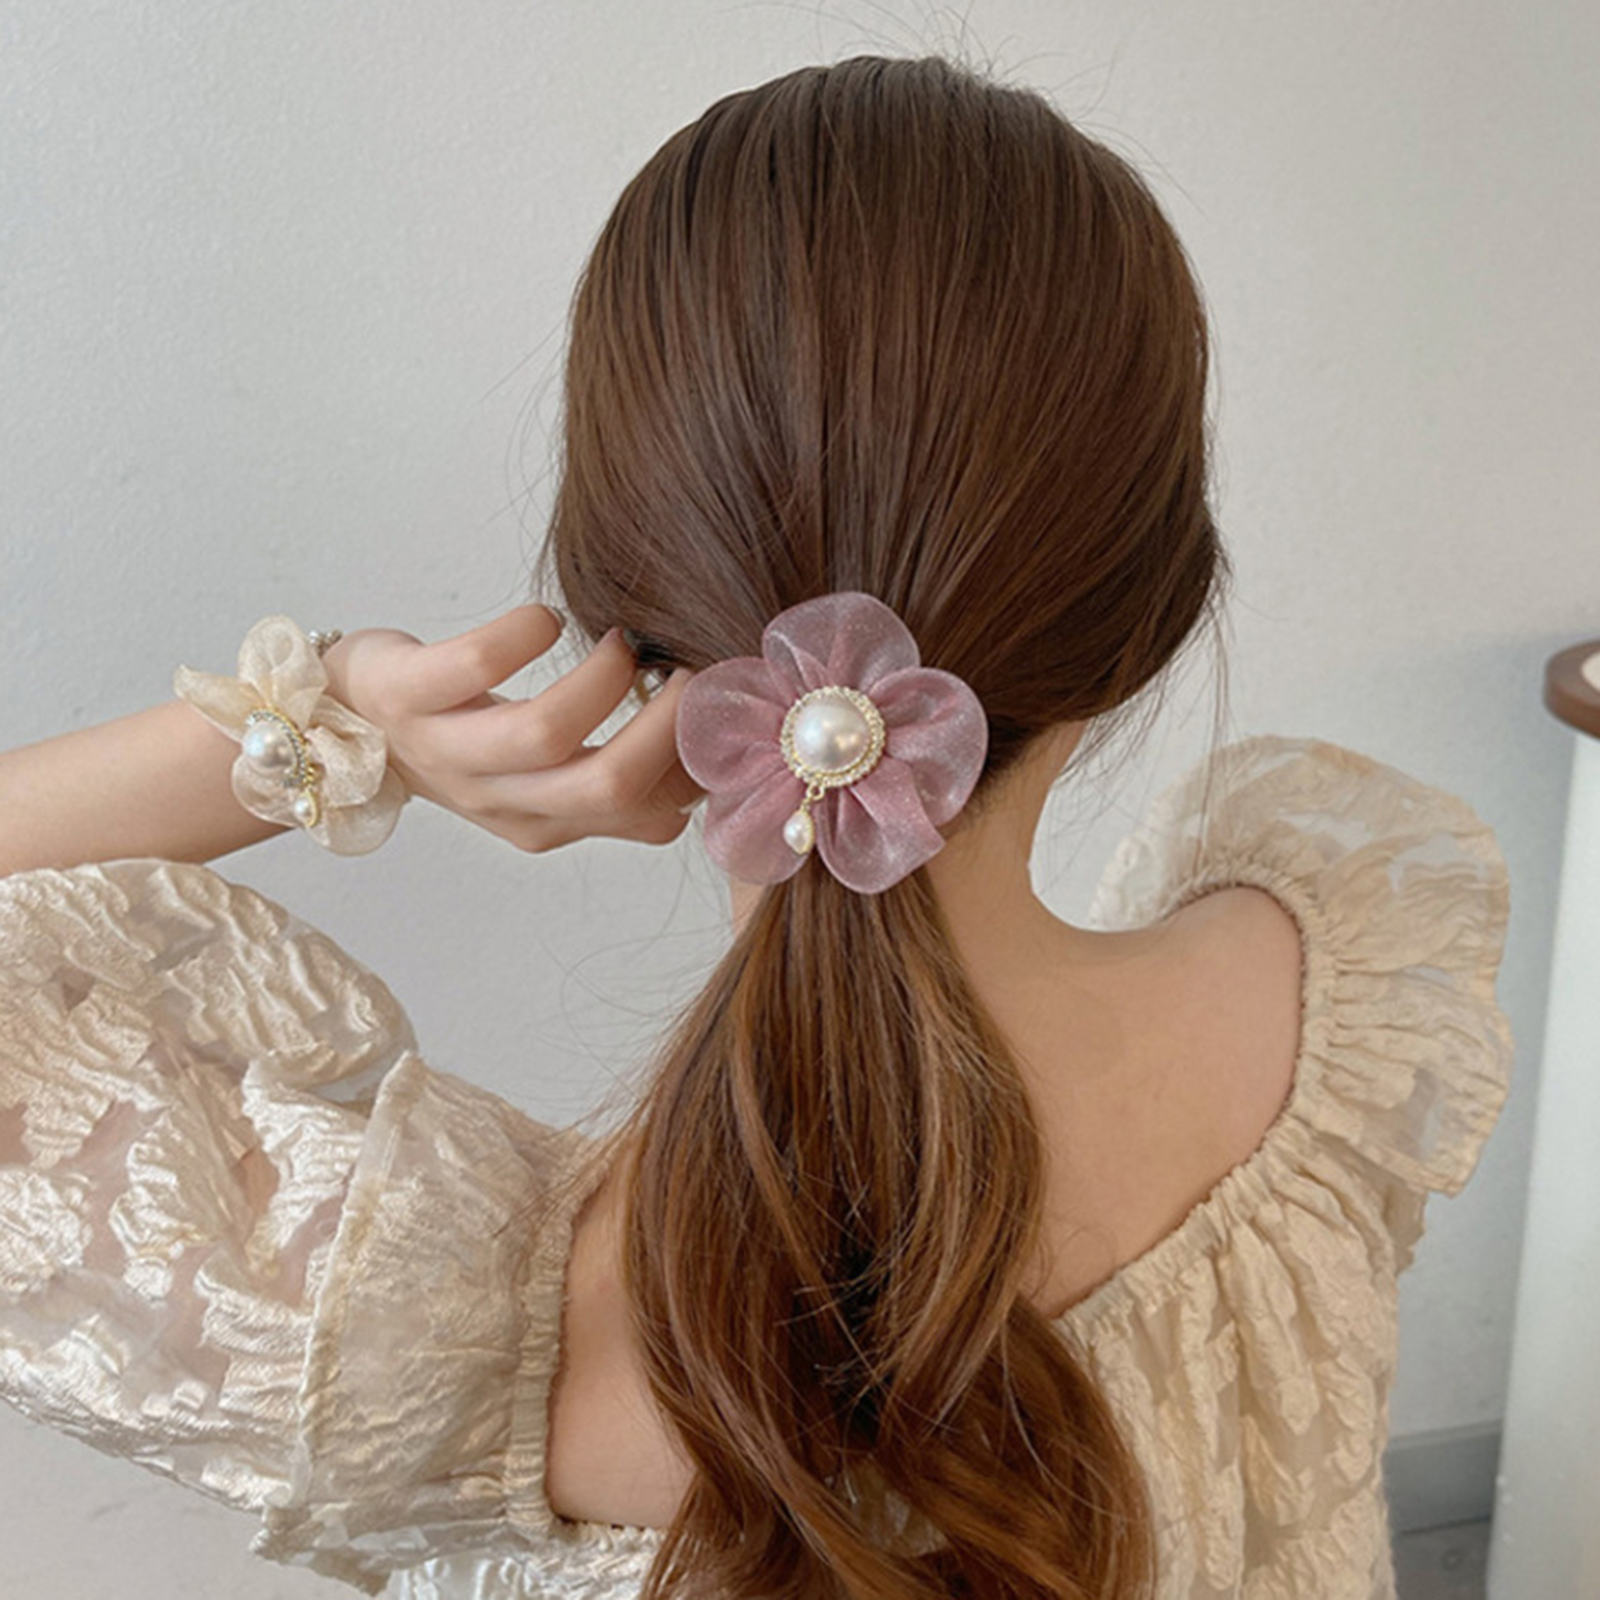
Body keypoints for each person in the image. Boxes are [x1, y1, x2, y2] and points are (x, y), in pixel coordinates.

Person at [0, 52, 1514, 1600]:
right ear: (1152, 604)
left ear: (631, 626)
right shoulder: (1326, 990)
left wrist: (331, 722)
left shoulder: (437, 1351)